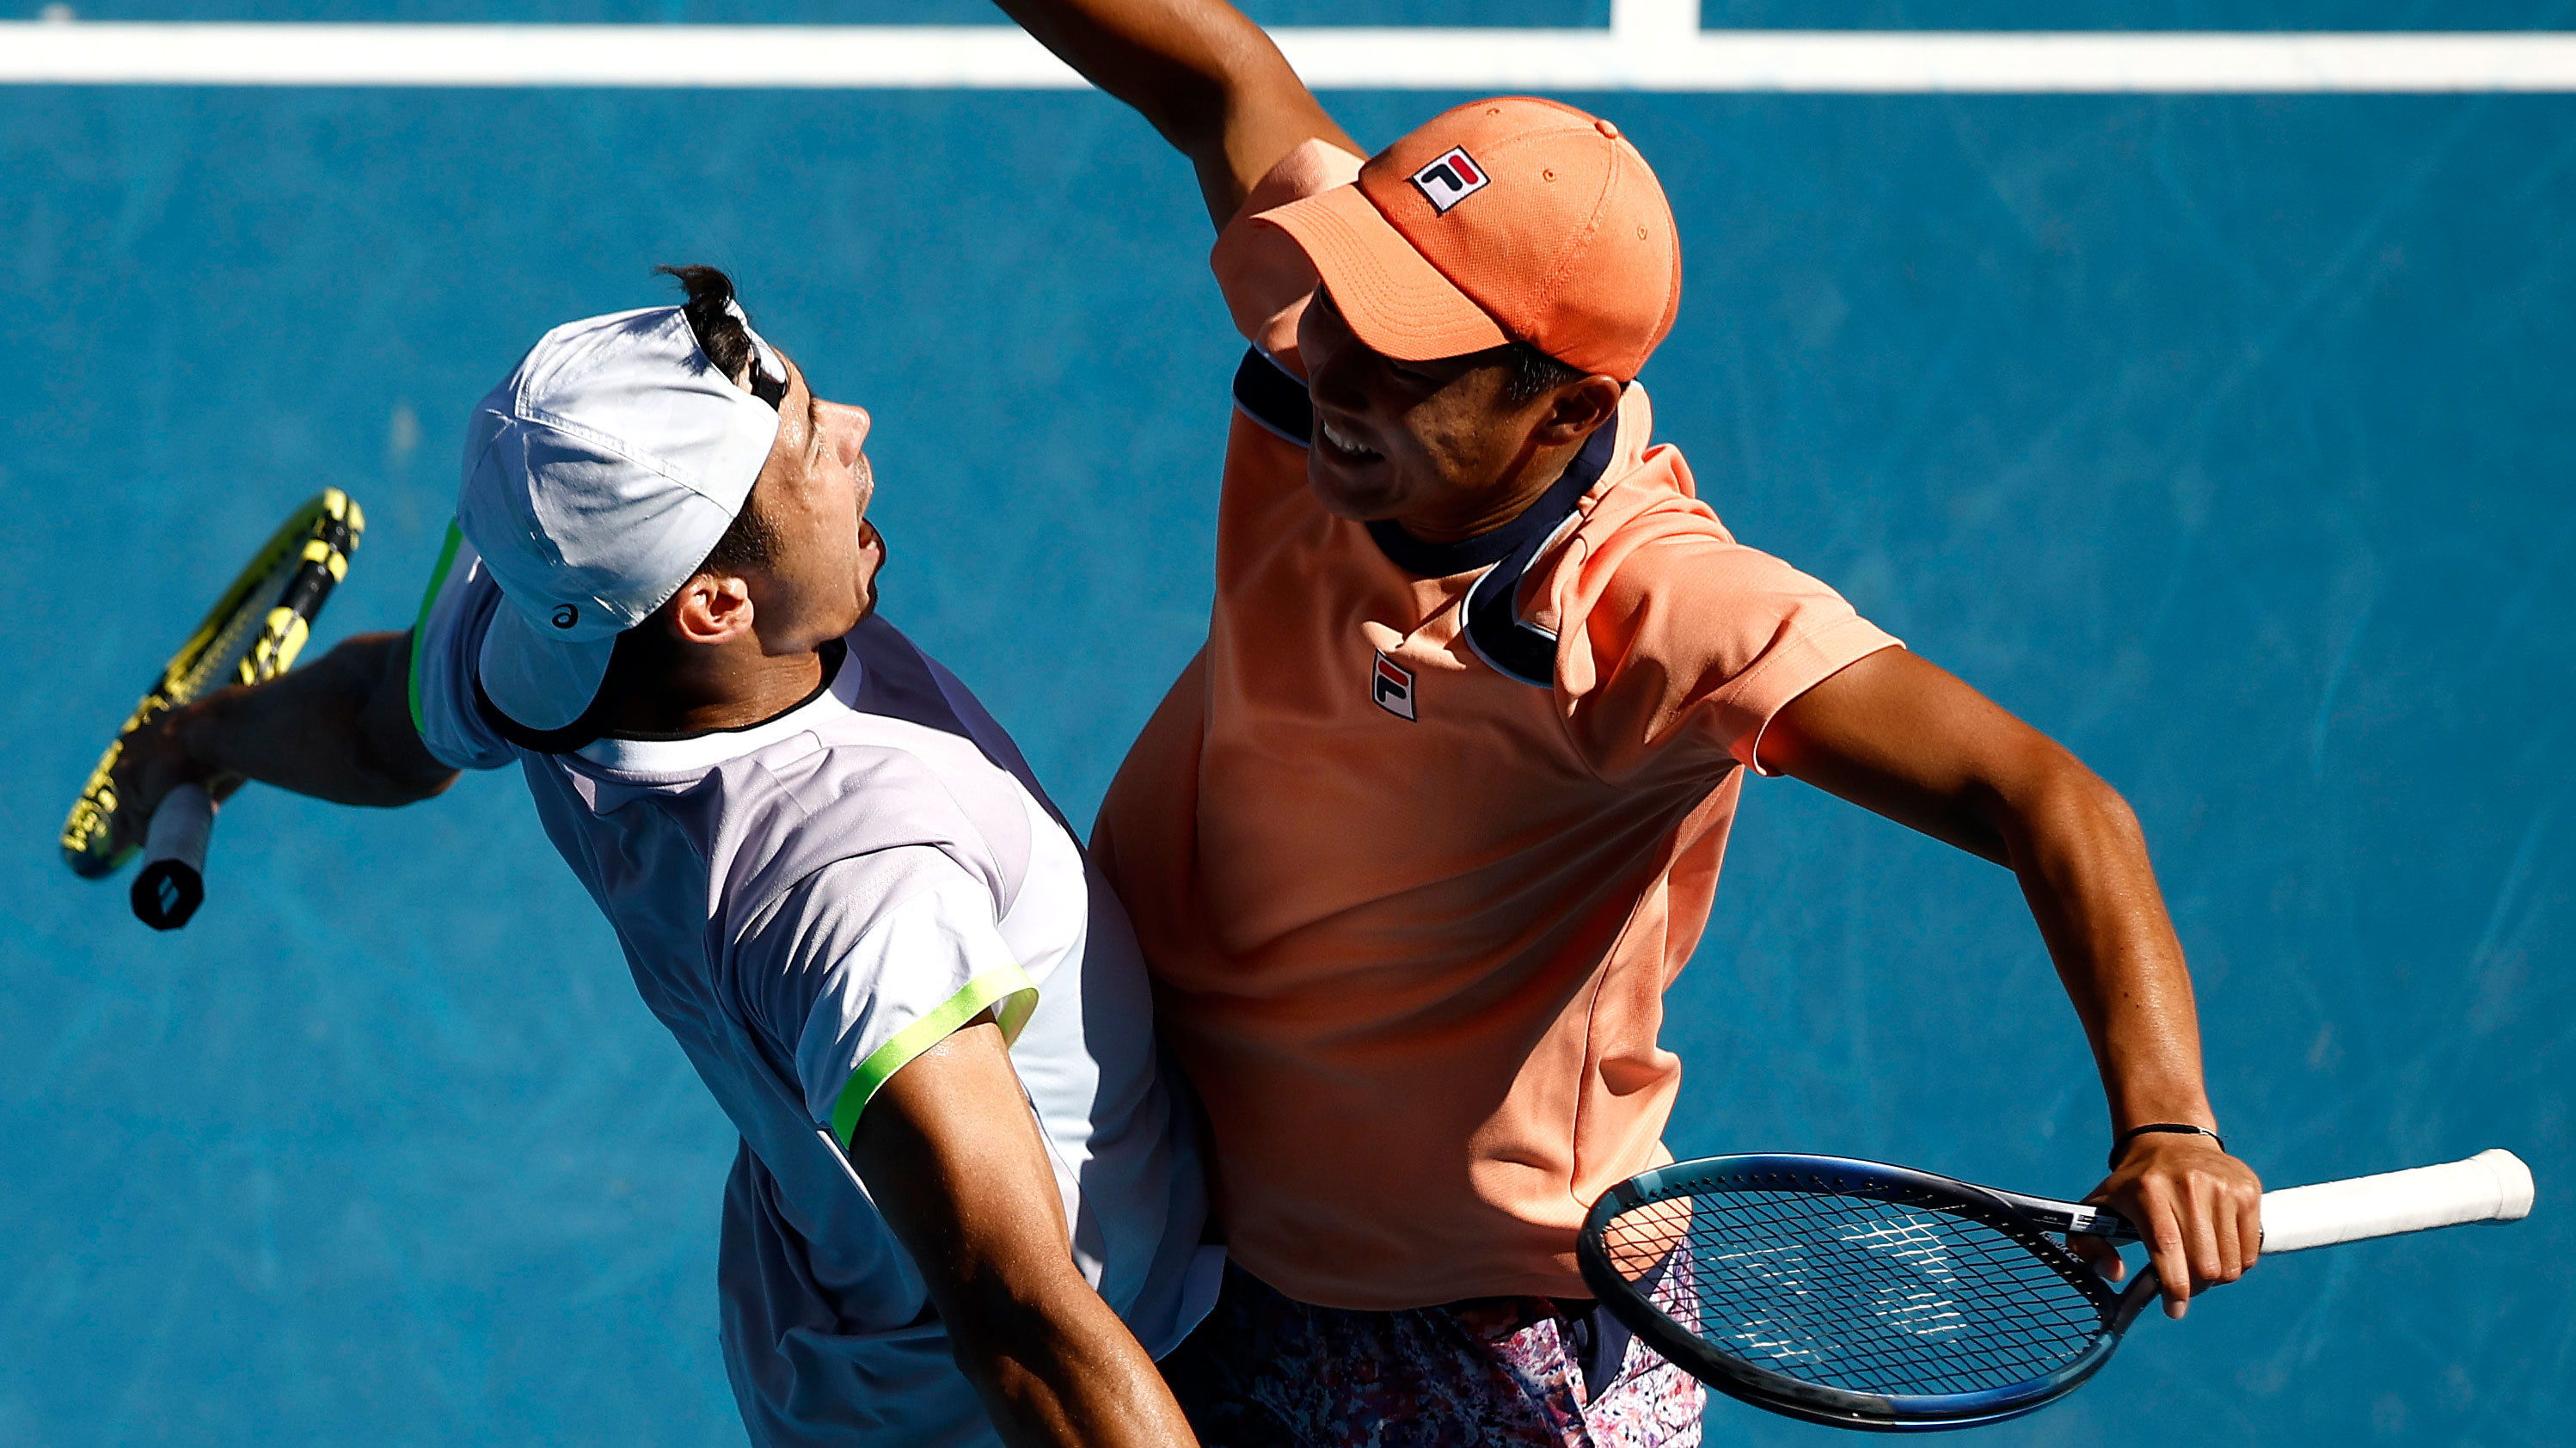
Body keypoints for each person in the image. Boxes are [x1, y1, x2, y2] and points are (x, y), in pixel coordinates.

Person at [991, 1, 2270, 1442]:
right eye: (1352, 299)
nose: (1338, 367)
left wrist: (2168, 1121)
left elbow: (2054, 804)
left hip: (1481, 1342)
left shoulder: (1659, 609)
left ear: (1562, 411)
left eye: (1417, 359)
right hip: (1192, 1239)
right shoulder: (1326, 347)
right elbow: (1220, 73)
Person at [107, 267, 1217, 1448]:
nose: (854, 434)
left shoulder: (555, 643)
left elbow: (385, 721)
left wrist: (199, 738)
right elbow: (1025, 1323)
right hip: (1035, 1388)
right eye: (808, 453)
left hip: (833, 1325)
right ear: (717, 608)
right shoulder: (860, 891)